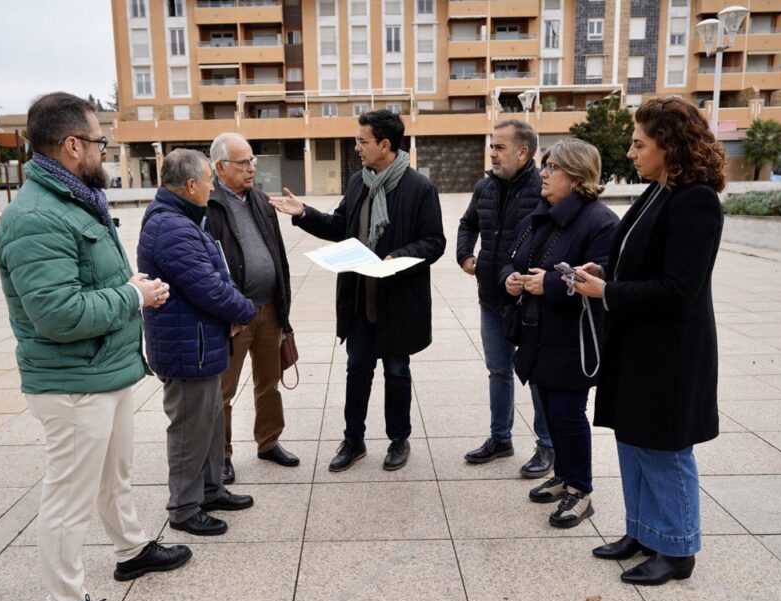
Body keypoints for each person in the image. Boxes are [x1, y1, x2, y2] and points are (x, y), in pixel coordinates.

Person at [0, 92, 191, 601]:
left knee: (115, 474)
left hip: (103, 371)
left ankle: (131, 551)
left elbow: (86, 285)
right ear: (72, 145)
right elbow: (57, 315)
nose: (106, 149)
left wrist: (131, 293)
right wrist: (132, 295)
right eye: (100, 140)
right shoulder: (37, 216)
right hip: (72, 381)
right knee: (67, 499)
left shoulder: (75, 200)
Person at [573, 96, 725, 585]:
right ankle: (643, 532)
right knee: (634, 441)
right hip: (638, 344)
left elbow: (681, 287)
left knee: (664, 449)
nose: (632, 153)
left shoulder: (696, 199)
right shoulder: (657, 191)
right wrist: (605, 271)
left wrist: (608, 291)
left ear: (669, 145)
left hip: (670, 354)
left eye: (640, 144)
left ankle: (678, 550)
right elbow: (642, 259)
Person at [270, 110, 446, 472]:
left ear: (385, 144)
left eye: (362, 141)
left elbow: (434, 241)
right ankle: (354, 440)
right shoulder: (359, 182)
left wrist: (399, 254)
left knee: (397, 372)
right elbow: (340, 226)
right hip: (359, 301)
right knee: (356, 370)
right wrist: (303, 213)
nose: (357, 147)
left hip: (398, 301)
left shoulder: (418, 187)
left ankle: (398, 439)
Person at [138, 149, 257, 537]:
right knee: (190, 430)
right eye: (208, 180)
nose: (211, 186)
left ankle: (210, 490)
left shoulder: (186, 218)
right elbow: (207, 287)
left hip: (202, 344)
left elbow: (215, 274)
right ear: (191, 185)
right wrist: (245, 310)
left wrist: (235, 306)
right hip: (188, 349)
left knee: (211, 421)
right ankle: (185, 508)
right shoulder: (172, 227)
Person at [504, 139, 617, 528]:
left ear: (577, 174)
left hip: (573, 336)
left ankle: (580, 491)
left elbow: (601, 276)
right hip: (538, 331)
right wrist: (512, 279)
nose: (544, 174)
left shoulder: (600, 221)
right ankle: (565, 476)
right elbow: (514, 259)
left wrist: (548, 284)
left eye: (552, 167)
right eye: (544, 166)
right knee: (551, 412)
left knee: (568, 414)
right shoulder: (543, 213)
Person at [457, 119, 555, 478]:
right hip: (490, 298)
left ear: (523, 151)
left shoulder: (544, 187)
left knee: (537, 374)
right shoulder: (484, 187)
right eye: (492, 146)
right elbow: (467, 223)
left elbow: (554, 235)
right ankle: (501, 439)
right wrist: (466, 255)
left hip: (529, 300)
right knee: (498, 371)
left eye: (499, 146)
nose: (492, 153)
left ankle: (547, 445)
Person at [206, 133, 298, 485]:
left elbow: (277, 256)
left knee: (269, 382)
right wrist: (226, 309)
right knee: (223, 391)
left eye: (252, 161)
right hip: (233, 315)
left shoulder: (260, 201)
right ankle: (222, 454)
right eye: (243, 163)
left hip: (270, 310)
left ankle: (269, 441)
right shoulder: (209, 205)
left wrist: (284, 309)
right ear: (220, 167)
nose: (251, 168)